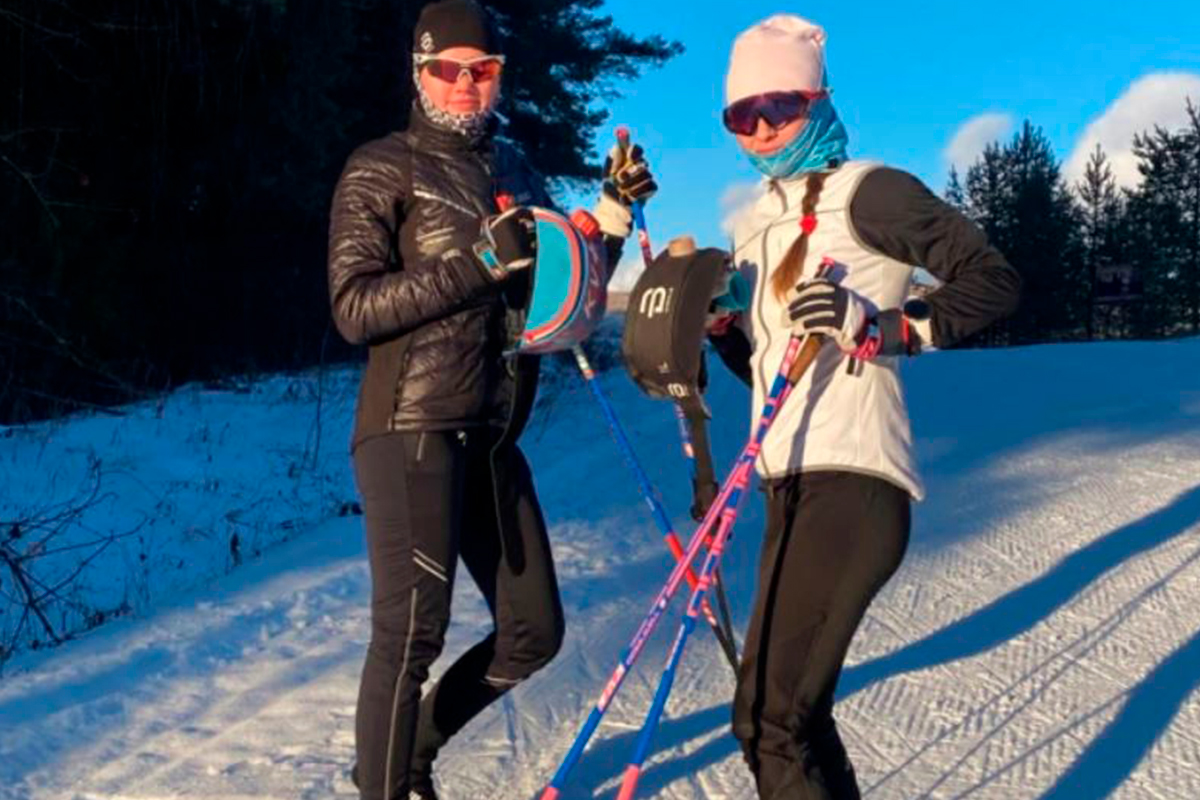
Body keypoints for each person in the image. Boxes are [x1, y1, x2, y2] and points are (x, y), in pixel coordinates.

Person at [325, 2, 655, 798]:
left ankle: (405, 757)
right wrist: (478, 263)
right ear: (419, 73)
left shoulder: (517, 168)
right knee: (412, 633)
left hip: (493, 432)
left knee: (533, 631)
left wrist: (611, 218)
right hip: (411, 426)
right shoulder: (382, 166)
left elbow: (564, 297)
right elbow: (354, 307)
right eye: (447, 68)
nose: (465, 83)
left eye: (484, 69)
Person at [703, 14, 1022, 799]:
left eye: (779, 106)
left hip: (855, 481)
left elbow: (994, 281)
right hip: (787, 485)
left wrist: (887, 327)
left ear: (818, 100)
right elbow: (774, 377)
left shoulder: (868, 191)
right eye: (742, 115)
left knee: (774, 721)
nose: (762, 129)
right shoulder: (754, 225)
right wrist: (724, 335)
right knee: (781, 719)